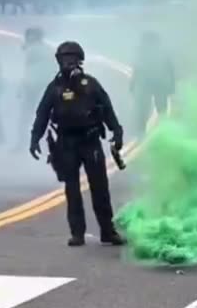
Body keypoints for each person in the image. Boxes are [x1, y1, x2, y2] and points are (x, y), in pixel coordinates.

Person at [29, 41, 125, 247]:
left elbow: (107, 108)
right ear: (58, 61)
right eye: (65, 58)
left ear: (80, 60)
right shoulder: (54, 88)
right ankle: (77, 233)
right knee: (71, 190)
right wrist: (34, 138)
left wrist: (117, 132)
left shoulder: (91, 84)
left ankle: (107, 231)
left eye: (72, 58)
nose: (68, 62)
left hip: (90, 140)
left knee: (100, 188)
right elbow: (42, 114)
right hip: (66, 143)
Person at [130, 31, 175, 128]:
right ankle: (163, 129)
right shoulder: (162, 52)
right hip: (158, 83)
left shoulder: (142, 51)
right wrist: (172, 85)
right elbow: (170, 69)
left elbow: (137, 69)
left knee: (144, 109)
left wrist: (133, 84)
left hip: (151, 83)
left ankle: (144, 130)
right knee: (159, 109)